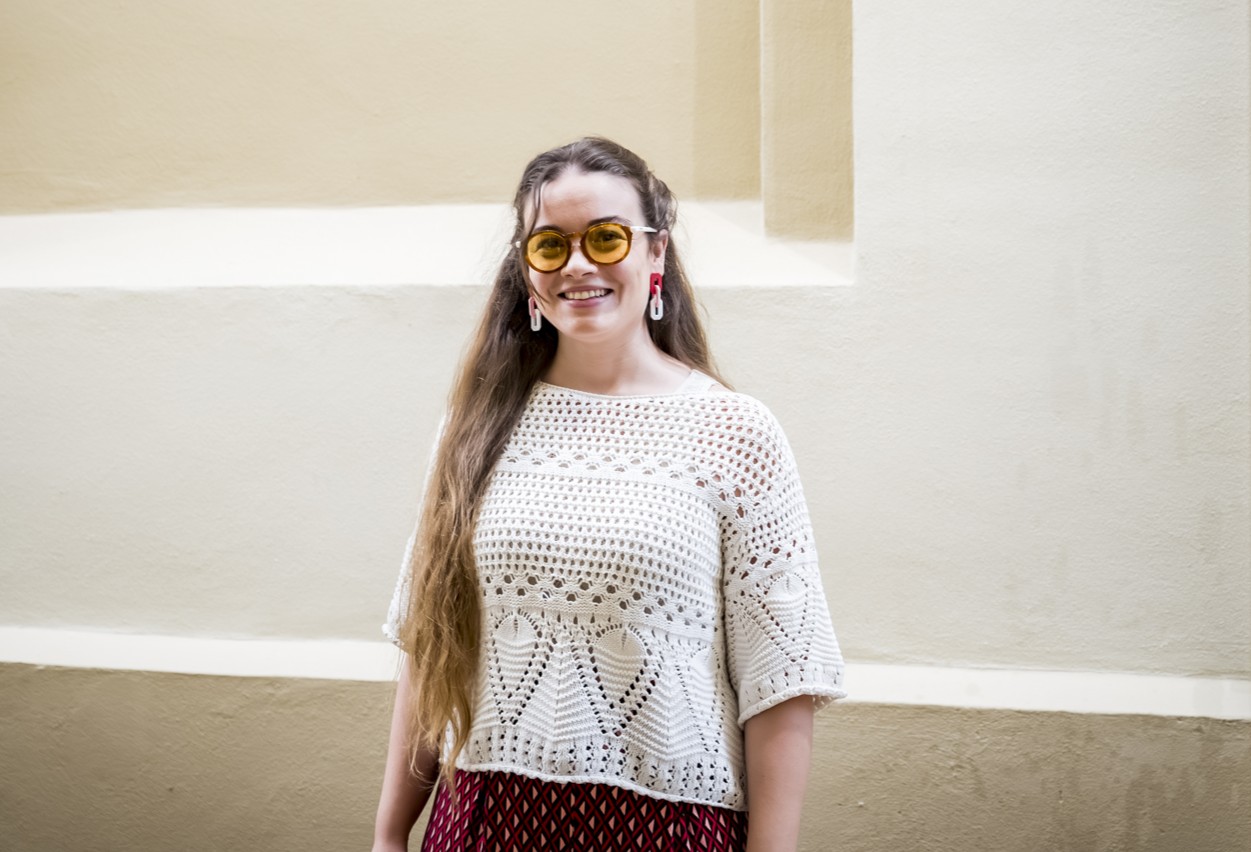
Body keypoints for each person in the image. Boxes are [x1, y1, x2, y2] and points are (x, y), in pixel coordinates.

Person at [372, 137, 845, 852]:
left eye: (605, 237)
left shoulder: (736, 433)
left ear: (655, 253)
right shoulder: (471, 430)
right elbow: (430, 648)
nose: (578, 264)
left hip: (664, 830)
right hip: (482, 821)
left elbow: (780, 684)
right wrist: (388, 833)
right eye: (550, 245)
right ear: (526, 271)